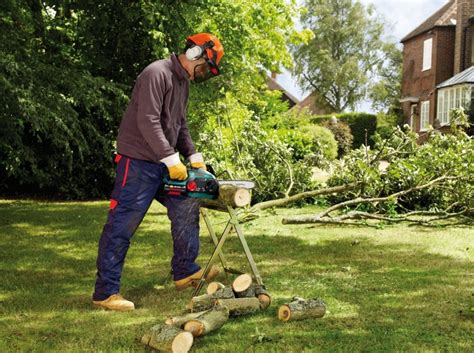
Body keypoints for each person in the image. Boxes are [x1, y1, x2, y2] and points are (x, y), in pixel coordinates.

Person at [92, 33, 224, 311]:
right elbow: (147, 121)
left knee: (187, 201)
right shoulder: (156, 73)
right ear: (195, 54)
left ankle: (185, 270)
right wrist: (170, 159)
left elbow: (180, 124)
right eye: (206, 67)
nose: (204, 74)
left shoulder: (182, 83)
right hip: (138, 162)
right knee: (122, 223)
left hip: (164, 163)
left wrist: (193, 155)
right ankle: (105, 293)